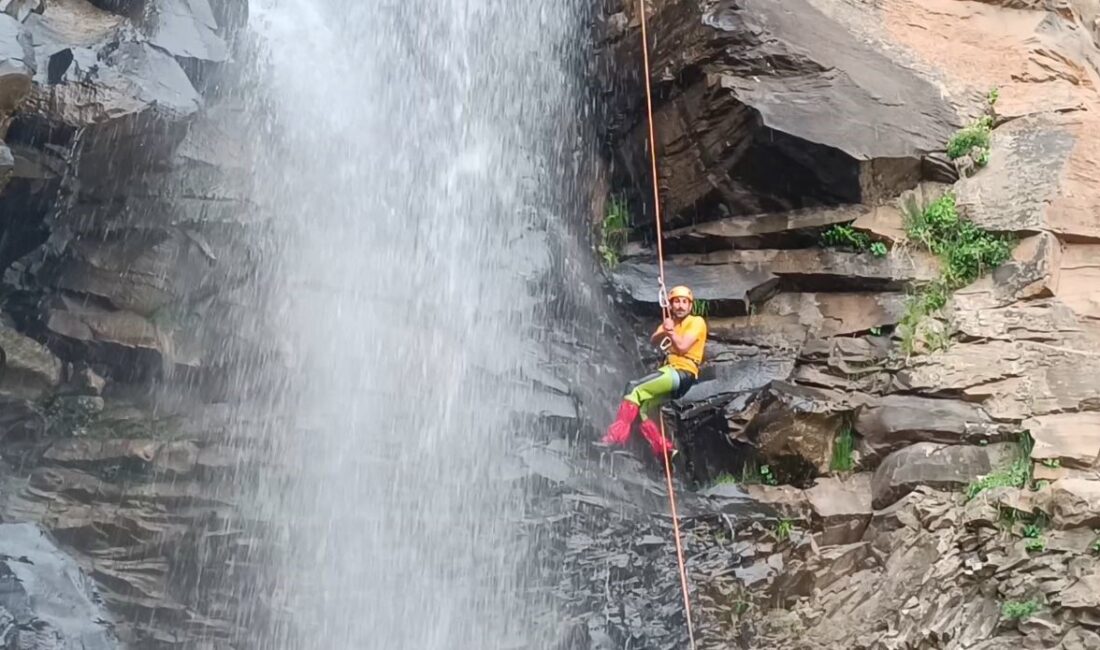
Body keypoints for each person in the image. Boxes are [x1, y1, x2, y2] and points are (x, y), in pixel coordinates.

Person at [601, 285, 707, 458]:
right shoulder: (670, 322)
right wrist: (665, 330)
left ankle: (615, 438)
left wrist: (671, 332)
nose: (680, 306)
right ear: (671, 306)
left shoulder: (696, 322)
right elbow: (654, 341)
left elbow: (682, 347)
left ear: (690, 306)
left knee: (633, 388)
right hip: (674, 376)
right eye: (676, 302)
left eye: (684, 302)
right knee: (642, 408)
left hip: (681, 372)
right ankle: (664, 449)